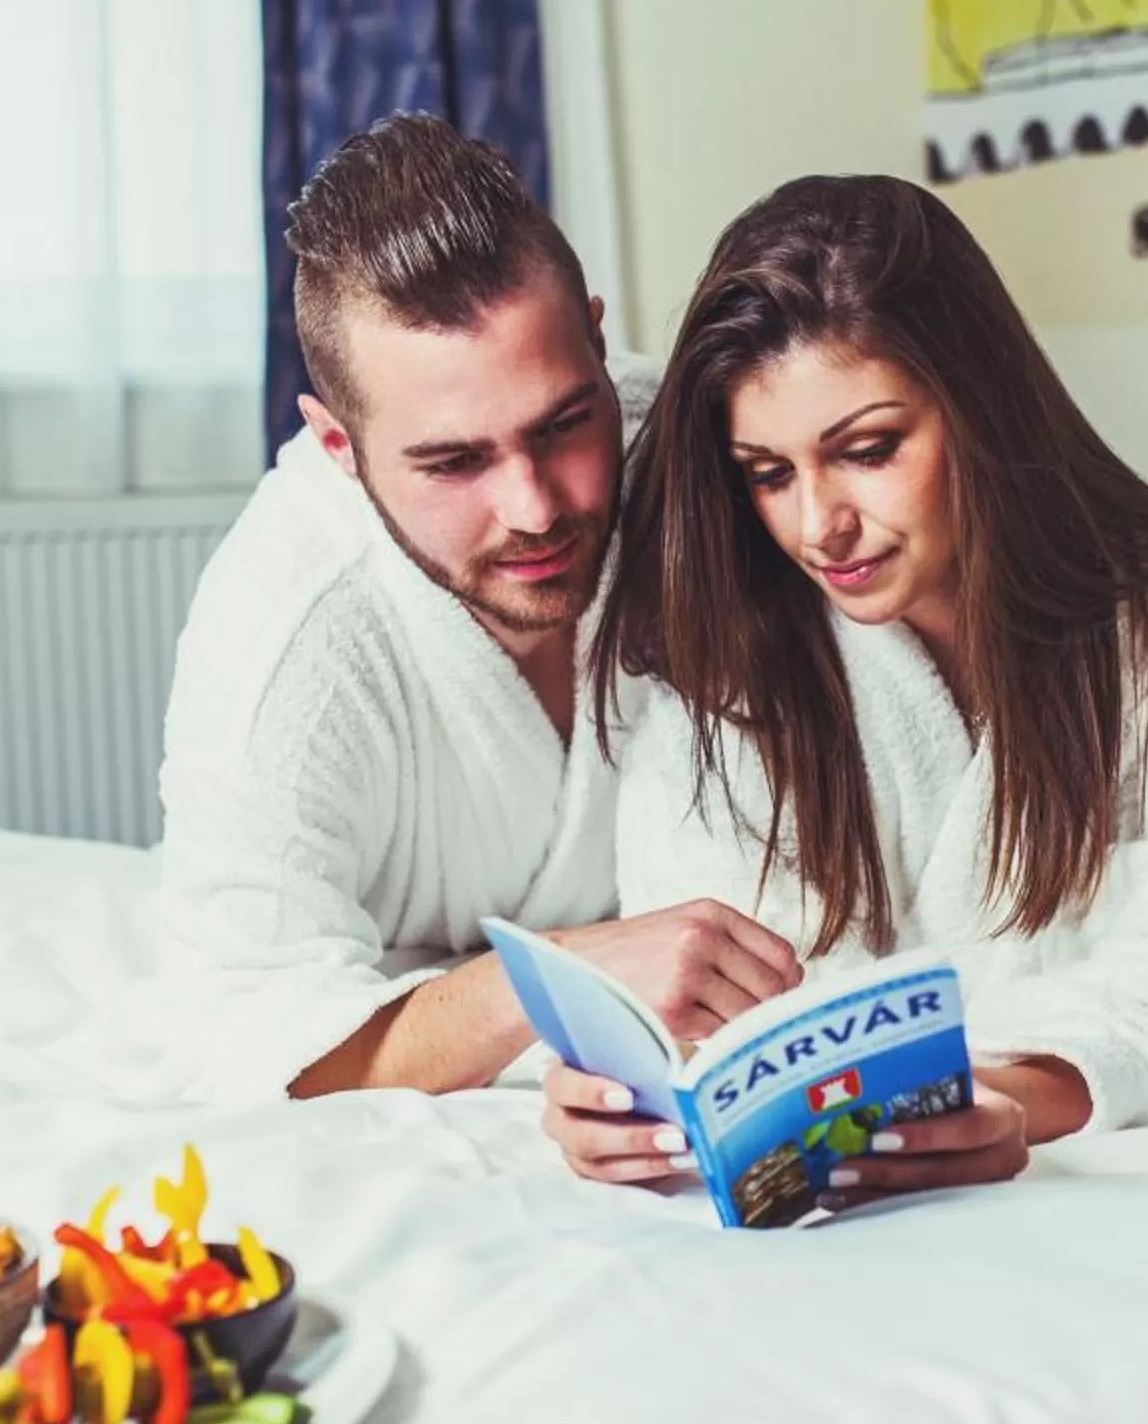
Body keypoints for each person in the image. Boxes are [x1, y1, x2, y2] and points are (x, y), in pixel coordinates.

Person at [546, 174, 1148, 1203]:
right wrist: (632, 1087)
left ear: (979, 408)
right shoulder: (731, 651)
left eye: (870, 449)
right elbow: (725, 996)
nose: (817, 525)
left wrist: (1018, 1094)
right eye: (768, 472)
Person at [136, 114, 802, 1106]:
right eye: (453, 461)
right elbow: (240, 1032)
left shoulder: (713, 468)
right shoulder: (283, 636)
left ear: (597, 335)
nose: (535, 506)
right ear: (337, 446)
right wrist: (558, 983)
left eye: (567, 422)